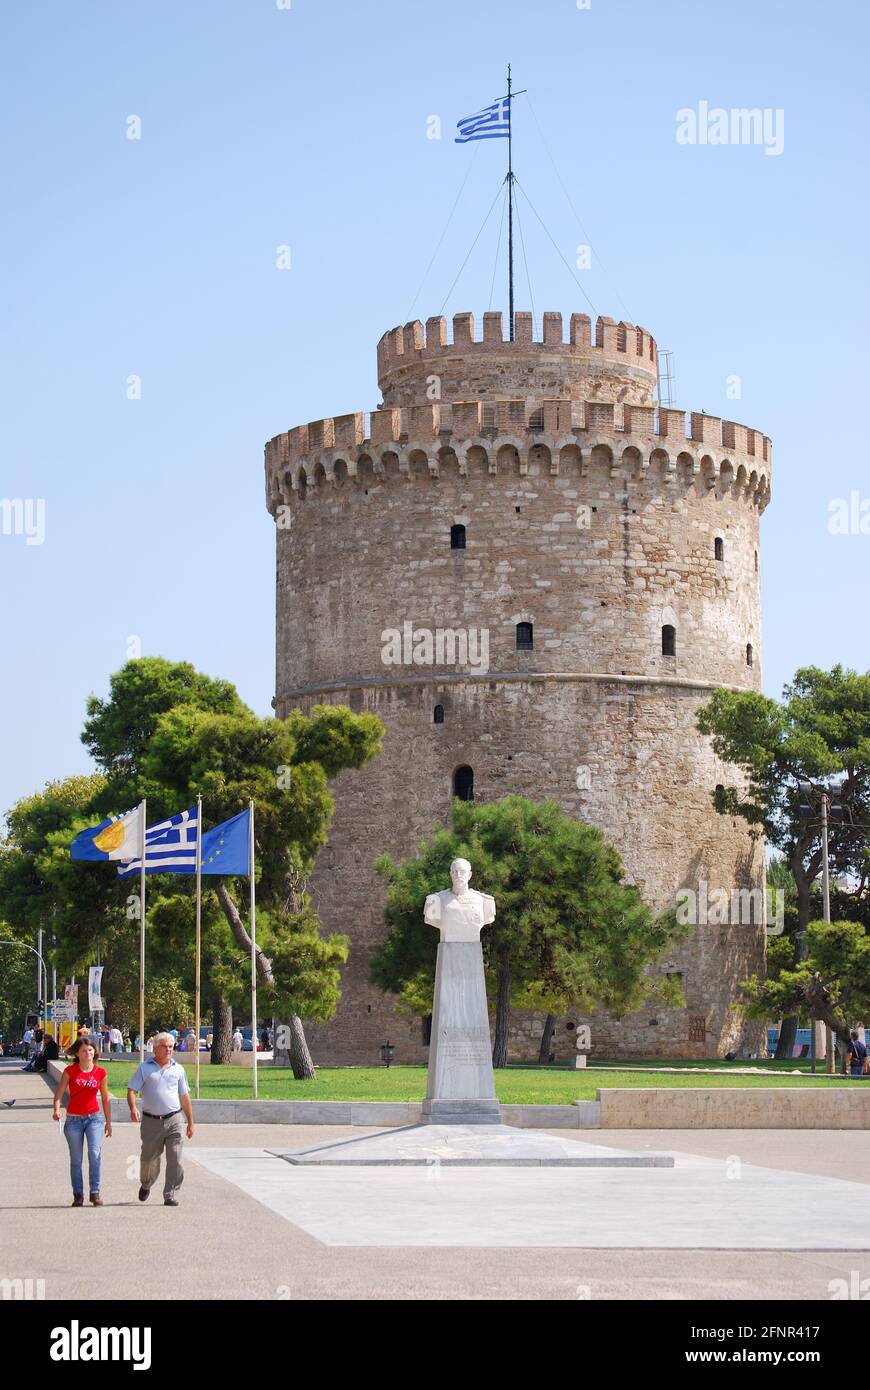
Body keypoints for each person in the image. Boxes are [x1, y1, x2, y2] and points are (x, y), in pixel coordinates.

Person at [126, 1032, 195, 1207]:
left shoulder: (178, 1069)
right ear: (155, 1048)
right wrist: (133, 1108)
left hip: (174, 1119)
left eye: (171, 1046)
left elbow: (185, 1096)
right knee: (149, 1159)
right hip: (151, 1122)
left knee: (176, 1158)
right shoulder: (145, 1067)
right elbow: (132, 1090)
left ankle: (170, 1194)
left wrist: (190, 1122)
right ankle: (146, 1183)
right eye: (164, 1046)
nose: (168, 1049)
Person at [52, 1036, 112, 1206]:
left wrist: (108, 1122)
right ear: (77, 1053)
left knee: (95, 1154)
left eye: (90, 1050)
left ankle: (95, 1192)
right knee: (76, 1159)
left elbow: (106, 1099)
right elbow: (58, 1095)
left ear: (95, 1052)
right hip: (73, 1121)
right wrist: (56, 1110)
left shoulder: (101, 1073)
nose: (88, 1053)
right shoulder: (70, 1072)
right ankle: (78, 1194)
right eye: (84, 1051)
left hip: (94, 1119)